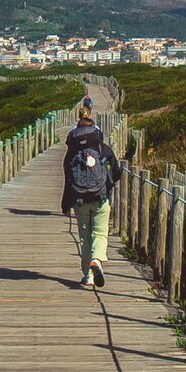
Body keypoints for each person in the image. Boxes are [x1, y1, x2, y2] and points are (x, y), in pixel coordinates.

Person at [61, 108, 121, 288]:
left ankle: (88, 276)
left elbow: (68, 178)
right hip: (100, 197)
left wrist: (66, 204)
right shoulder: (101, 147)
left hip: (79, 199)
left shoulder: (71, 151)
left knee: (84, 237)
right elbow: (117, 172)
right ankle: (97, 260)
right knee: (100, 234)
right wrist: (108, 185)